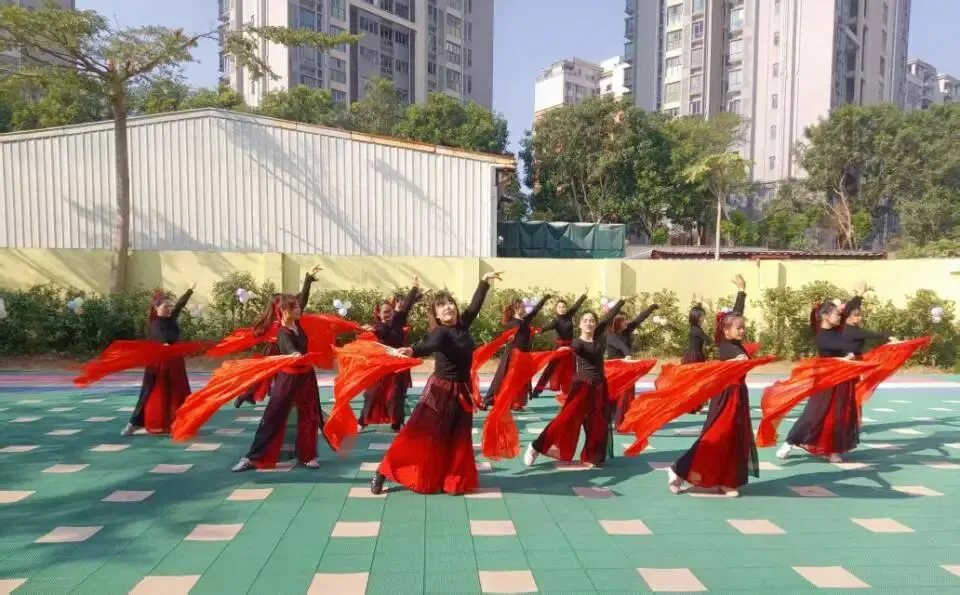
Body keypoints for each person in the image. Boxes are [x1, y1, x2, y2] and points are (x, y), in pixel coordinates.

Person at [371, 271, 501, 495]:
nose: (448, 307)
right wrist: (412, 350)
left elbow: (474, 307)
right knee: (419, 434)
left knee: (458, 437)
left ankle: (452, 479)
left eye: (450, 303)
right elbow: (429, 345)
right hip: (441, 391)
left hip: (462, 391)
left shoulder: (462, 327)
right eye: (441, 306)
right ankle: (383, 471)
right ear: (437, 316)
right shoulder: (441, 333)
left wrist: (484, 281)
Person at [667, 275, 756, 497]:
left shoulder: (737, 344)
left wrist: (742, 291)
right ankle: (678, 470)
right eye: (738, 328)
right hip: (725, 398)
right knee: (715, 437)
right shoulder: (725, 345)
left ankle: (727, 481)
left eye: (743, 328)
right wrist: (737, 362)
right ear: (726, 331)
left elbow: (735, 315)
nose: (742, 331)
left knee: (734, 440)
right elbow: (732, 322)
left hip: (738, 396)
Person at [523, 297, 626, 468]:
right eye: (585, 321)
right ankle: (536, 446)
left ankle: (592, 456)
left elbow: (608, 318)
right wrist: (567, 349)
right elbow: (574, 349)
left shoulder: (597, 336)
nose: (589, 323)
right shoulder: (578, 342)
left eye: (592, 321)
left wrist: (621, 302)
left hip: (599, 387)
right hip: (582, 386)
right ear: (579, 324)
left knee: (598, 422)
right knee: (565, 419)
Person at [776, 283, 869, 463]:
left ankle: (832, 450)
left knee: (840, 415)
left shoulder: (837, 328)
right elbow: (836, 352)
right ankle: (790, 441)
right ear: (825, 316)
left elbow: (847, 310)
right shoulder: (823, 337)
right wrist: (845, 357)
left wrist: (860, 295)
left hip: (843, 379)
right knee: (815, 413)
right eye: (836, 314)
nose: (840, 316)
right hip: (827, 380)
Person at [232, 294, 324, 471]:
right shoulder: (282, 332)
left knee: (309, 416)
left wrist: (308, 282)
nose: (299, 309)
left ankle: (308, 456)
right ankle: (252, 458)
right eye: (294, 307)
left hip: (306, 377)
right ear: (284, 310)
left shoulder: (298, 325)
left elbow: (303, 300)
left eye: (298, 306)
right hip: (288, 377)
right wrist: (293, 353)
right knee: (272, 416)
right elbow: (287, 345)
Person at [233, 266, 321, 408]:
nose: (294, 306)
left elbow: (301, 301)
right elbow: (301, 301)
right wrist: (308, 280)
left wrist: (308, 279)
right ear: (279, 307)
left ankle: (251, 395)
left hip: (281, 351)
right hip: (277, 351)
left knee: (266, 376)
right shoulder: (277, 322)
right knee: (264, 375)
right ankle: (247, 395)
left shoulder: (284, 320)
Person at [121, 286, 195, 436]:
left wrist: (189, 291)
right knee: (148, 392)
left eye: (169, 306)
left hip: (175, 363)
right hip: (158, 364)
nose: (168, 309)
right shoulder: (155, 324)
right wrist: (165, 343)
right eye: (165, 306)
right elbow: (159, 335)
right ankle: (133, 423)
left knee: (178, 393)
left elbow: (180, 305)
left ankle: (178, 424)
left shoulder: (171, 319)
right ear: (156, 308)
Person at [358, 277, 422, 431]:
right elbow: (381, 331)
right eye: (385, 312)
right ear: (379, 314)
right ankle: (362, 421)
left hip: (398, 365)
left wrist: (414, 288)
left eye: (390, 311)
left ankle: (397, 423)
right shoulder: (379, 326)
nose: (389, 314)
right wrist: (372, 330)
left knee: (397, 394)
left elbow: (406, 305)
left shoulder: (398, 319)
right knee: (372, 394)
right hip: (382, 366)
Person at [483, 294, 550, 411]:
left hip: (524, 354)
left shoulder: (526, 320)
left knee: (520, 380)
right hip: (512, 354)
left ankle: (515, 403)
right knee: (502, 377)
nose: (524, 308)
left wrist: (544, 299)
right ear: (515, 308)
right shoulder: (510, 323)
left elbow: (535, 310)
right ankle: (487, 401)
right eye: (522, 306)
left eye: (524, 306)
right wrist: (507, 339)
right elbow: (503, 338)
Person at [606, 304, 658, 428]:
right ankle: (616, 420)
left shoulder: (627, 330)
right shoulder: (612, 337)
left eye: (626, 319)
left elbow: (639, 319)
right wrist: (628, 355)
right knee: (617, 395)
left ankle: (624, 419)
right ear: (617, 323)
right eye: (624, 320)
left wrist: (651, 308)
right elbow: (624, 348)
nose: (627, 322)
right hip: (615, 370)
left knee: (627, 395)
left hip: (626, 367)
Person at [531, 292, 588, 401]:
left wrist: (583, 296)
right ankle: (537, 390)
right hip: (559, 348)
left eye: (563, 307)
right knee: (550, 369)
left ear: (566, 308)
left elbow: (576, 305)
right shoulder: (556, 320)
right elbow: (548, 326)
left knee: (571, 369)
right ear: (556, 309)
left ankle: (571, 390)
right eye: (559, 307)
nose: (562, 309)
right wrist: (540, 330)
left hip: (570, 348)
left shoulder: (569, 315)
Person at [683, 305, 709, 414]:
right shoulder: (697, 330)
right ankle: (692, 407)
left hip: (696, 356)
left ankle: (695, 406)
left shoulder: (696, 329)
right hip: (694, 358)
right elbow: (708, 340)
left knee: (695, 382)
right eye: (702, 316)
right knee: (694, 383)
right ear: (696, 317)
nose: (704, 318)